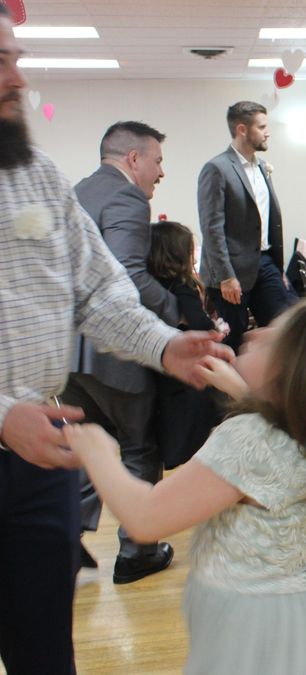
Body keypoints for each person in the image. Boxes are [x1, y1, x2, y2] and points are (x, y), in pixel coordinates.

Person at [0, 8, 232, 671]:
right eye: (0, 62)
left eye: (16, 58)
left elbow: (100, 289)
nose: (19, 79)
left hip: (38, 452)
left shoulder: (37, 173)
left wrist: (164, 343)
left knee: (44, 645)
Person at [63, 300, 306, 674]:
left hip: (255, 622)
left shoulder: (248, 441)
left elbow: (145, 519)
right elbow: (283, 433)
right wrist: (244, 390)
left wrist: (99, 453)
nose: (256, 334)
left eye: (273, 341)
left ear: (290, 383)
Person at [67, 120, 178, 582]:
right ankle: (138, 550)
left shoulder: (78, 190)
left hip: (72, 353)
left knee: (87, 445)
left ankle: (65, 540)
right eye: (157, 161)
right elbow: (129, 275)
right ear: (133, 159)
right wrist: (177, 309)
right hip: (114, 348)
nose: (160, 172)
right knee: (138, 446)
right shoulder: (127, 197)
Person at [198, 100, 292, 352]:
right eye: (261, 127)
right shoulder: (217, 168)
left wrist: (278, 265)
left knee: (284, 328)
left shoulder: (262, 166)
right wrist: (226, 276)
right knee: (233, 336)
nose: (268, 132)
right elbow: (211, 228)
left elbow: (268, 218)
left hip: (265, 262)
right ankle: (231, 389)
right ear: (242, 129)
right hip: (232, 270)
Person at [147, 221, 227, 471]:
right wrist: (217, 329)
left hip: (159, 365)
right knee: (195, 425)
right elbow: (199, 323)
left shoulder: (150, 285)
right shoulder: (183, 287)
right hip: (186, 371)